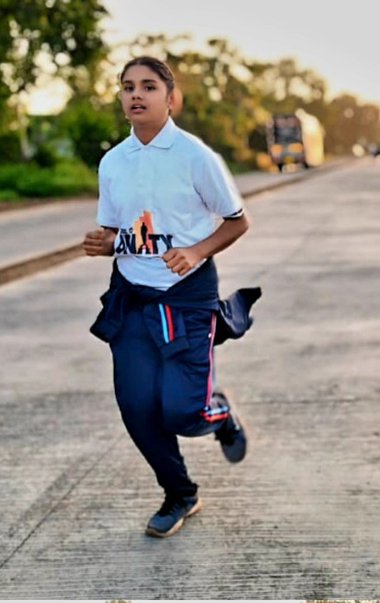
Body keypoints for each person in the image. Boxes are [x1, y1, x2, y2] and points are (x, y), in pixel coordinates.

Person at [83, 56, 260, 539]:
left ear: (170, 96)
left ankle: (219, 413)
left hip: (186, 298)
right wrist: (104, 243)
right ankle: (180, 492)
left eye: (147, 87)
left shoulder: (196, 157)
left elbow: (237, 220)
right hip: (132, 298)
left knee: (182, 411)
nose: (135, 95)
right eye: (127, 87)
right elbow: (119, 230)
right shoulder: (113, 162)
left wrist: (196, 250)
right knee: (138, 408)